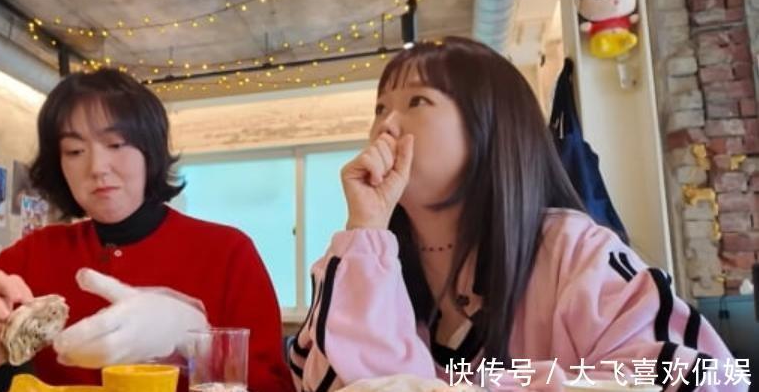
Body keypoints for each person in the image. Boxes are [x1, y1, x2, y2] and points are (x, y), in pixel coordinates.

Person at [290, 37, 744, 391]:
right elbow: (323, 382)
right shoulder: (360, 259)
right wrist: (366, 227)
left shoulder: (573, 251)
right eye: (380, 108)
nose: (385, 126)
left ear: (490, 125)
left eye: (416, 102)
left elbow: (702, 379)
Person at [0, 69, 293, 392]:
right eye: (75, 151)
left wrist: (191, 342)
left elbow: (271, 384)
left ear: (150, 150)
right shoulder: (36, 253)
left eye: (116, 144)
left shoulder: (228, 252)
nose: (97, 168)